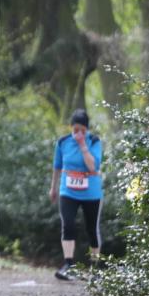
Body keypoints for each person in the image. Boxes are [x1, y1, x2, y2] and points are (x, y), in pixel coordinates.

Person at [49, 108, 103, 280]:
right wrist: (53, 187)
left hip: (91, 192)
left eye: (82, 130)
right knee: (68, 225)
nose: (78, 133)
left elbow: (92, 166)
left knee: (91, 229)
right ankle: (68, 264)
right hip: (68, 191)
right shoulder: (63, 142)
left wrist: (82, 145)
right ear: (71, 127)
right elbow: (57, 166)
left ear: (87, 129)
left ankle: (95, 267)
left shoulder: (94, 141)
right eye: (75, 129)